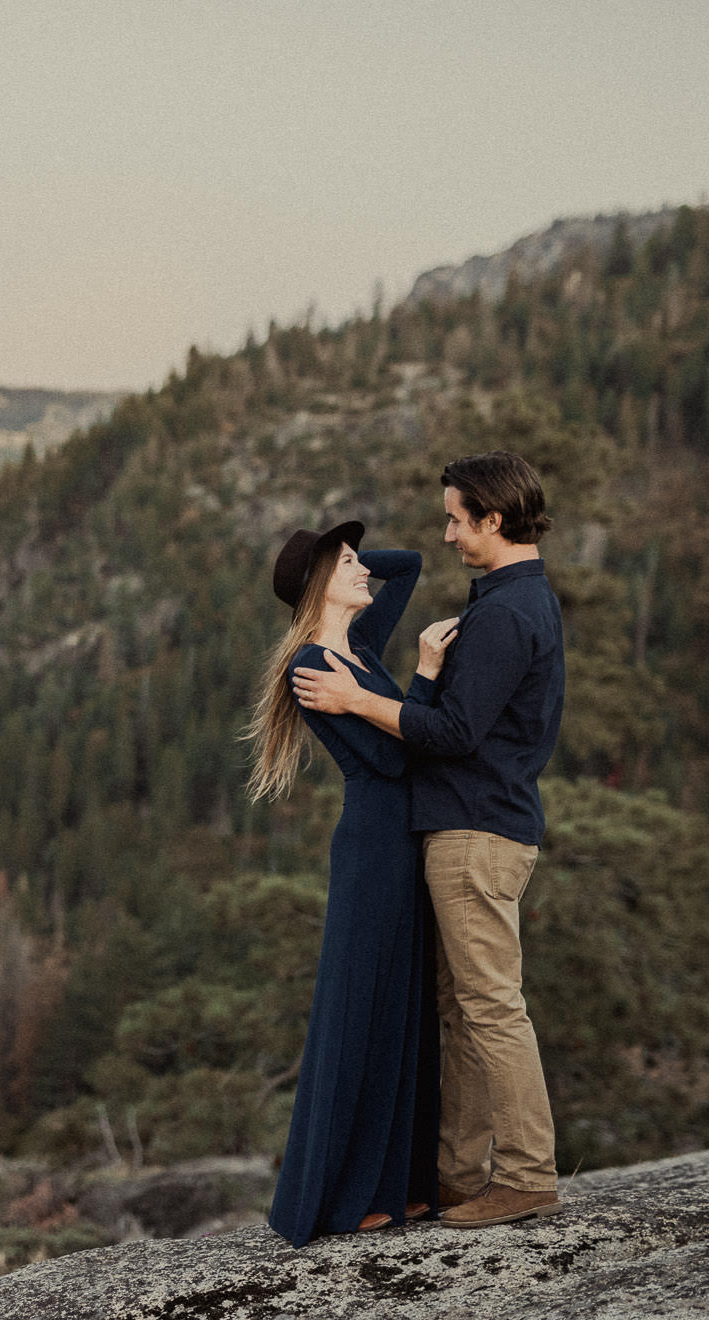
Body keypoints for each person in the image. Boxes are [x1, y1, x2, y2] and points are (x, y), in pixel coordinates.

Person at [293, 450, 565, 1229]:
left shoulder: (509, 613)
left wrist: (356, 691)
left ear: (493, 517)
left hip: (476, 830)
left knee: (488, 1005)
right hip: (473, 826)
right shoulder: (509, 600)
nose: (446, 534)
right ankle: (456, 1174)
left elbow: (449, 731)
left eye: (456, 517)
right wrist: (328, 572)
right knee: (462, 1008)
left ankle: (524, 1173)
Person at [245, 521, 448, 1246]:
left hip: (400, 845)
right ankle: (341, 1196)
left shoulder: (354, 649)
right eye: (349, 561)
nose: (367, 568)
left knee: (403, 1004)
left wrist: (339, 559)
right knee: (362, 1010)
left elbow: (411, 562)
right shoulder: (310, 667)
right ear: (320, 583)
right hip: (371, 852)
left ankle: (401, 1184)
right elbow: (395, 763)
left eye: (360, 558)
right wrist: (422, 675)